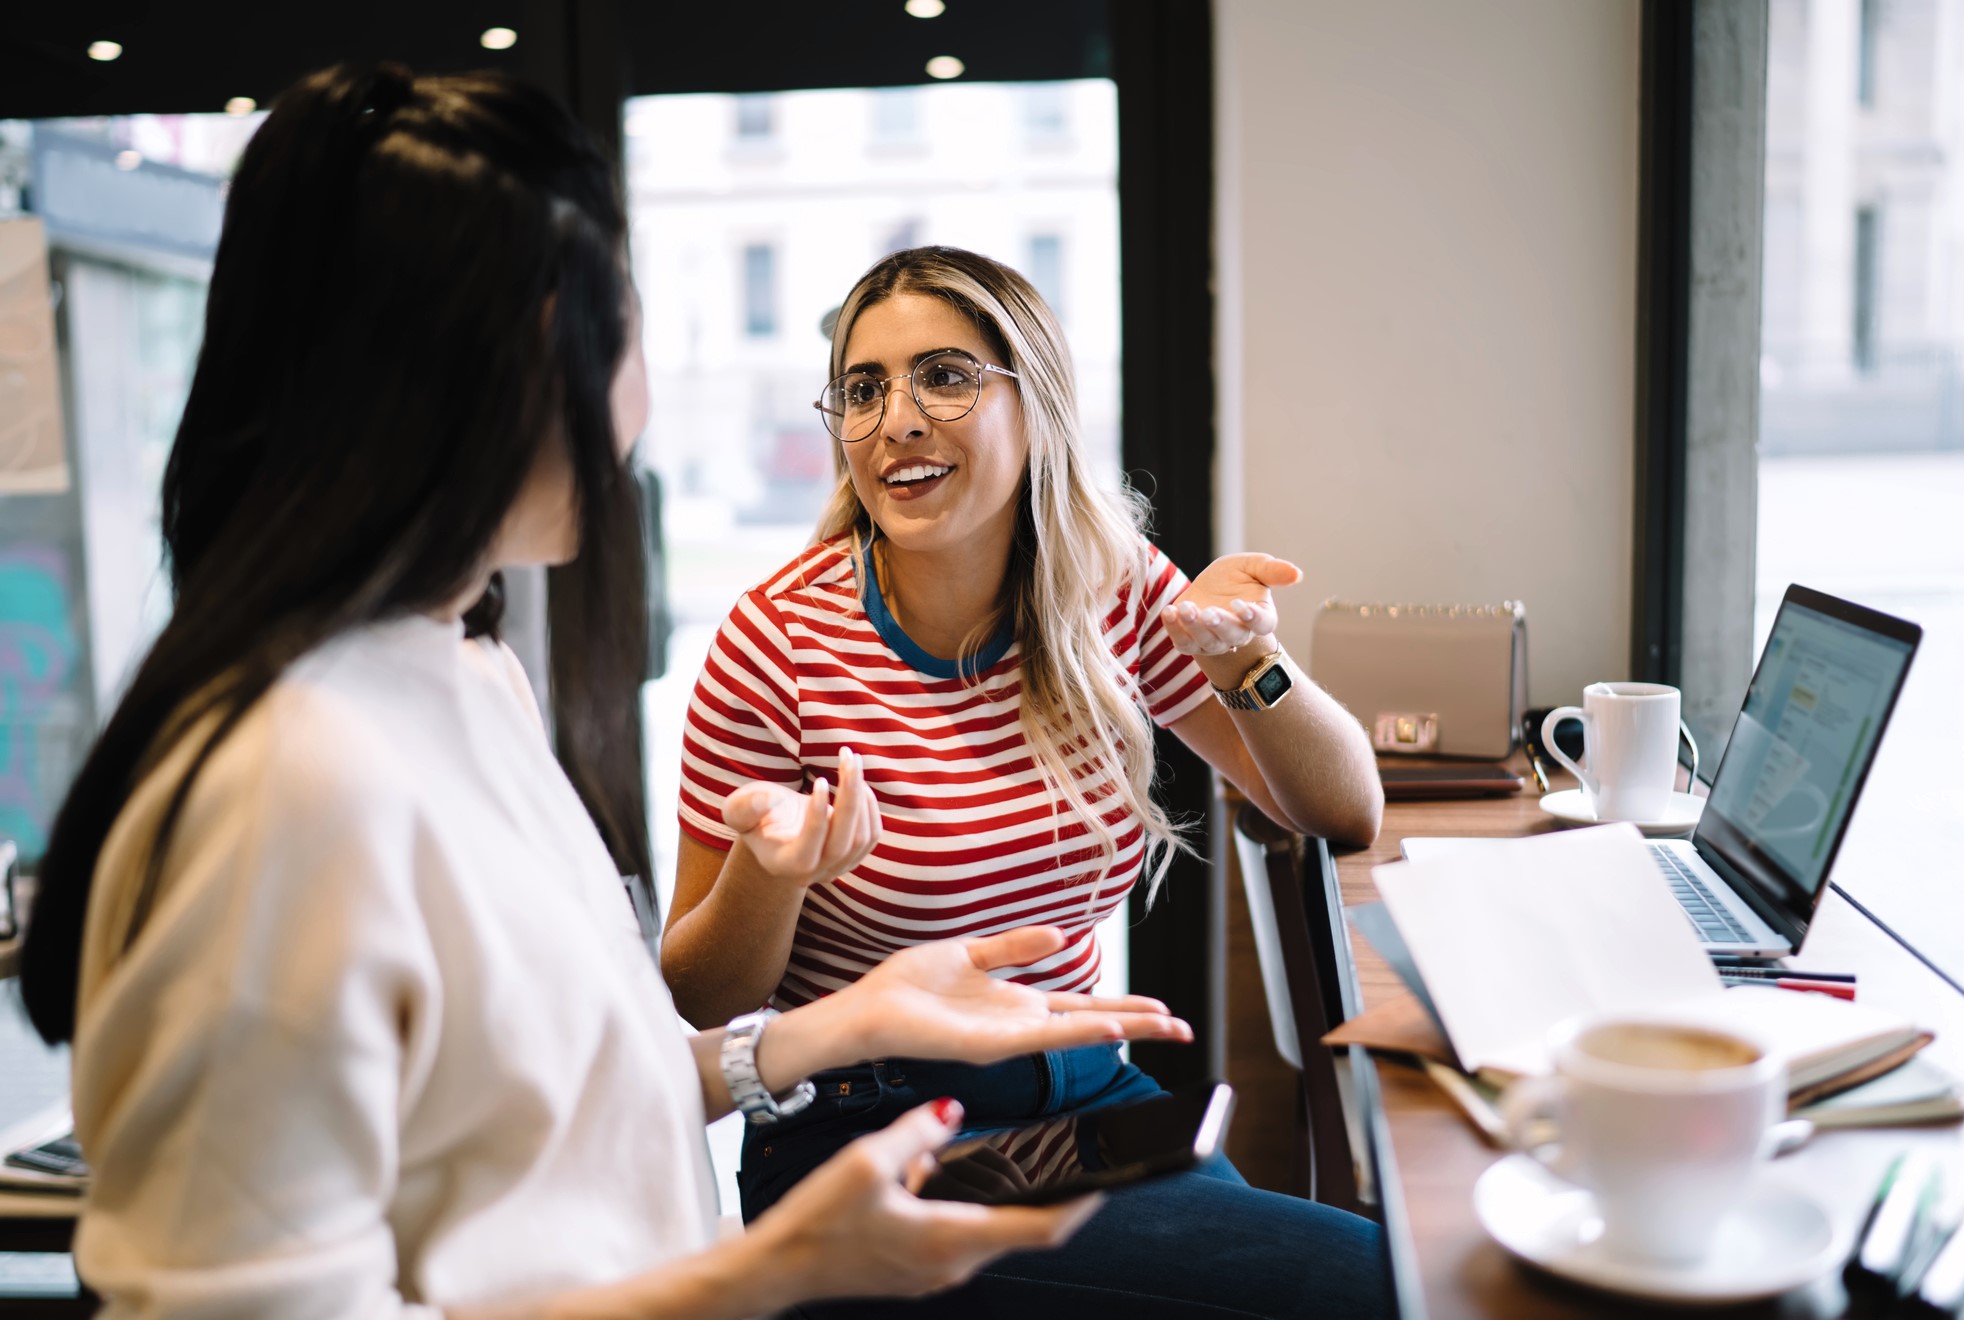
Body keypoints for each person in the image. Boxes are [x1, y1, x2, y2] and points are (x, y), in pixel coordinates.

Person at [17, 67, 1198, 1319]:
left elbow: (565, 1079)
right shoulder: (280, 786)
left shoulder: (470, 676)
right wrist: (770, 1273)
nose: (637, 403)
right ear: (512, 363)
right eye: (622, 324)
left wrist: (835, 1028)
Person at [663, 245, 1388, 1316]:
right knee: (1370, 1282)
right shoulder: (777, 643)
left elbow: (1341, 808)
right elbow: (697, 995)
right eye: (863, 390)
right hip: (870, 1135)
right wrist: (774, 877)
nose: (897, 419)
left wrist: (1245, 664)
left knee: (1364, 1272)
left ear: (1035, 402)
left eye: (945, 375)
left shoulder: (1112, 589)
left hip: (1088, 1096)